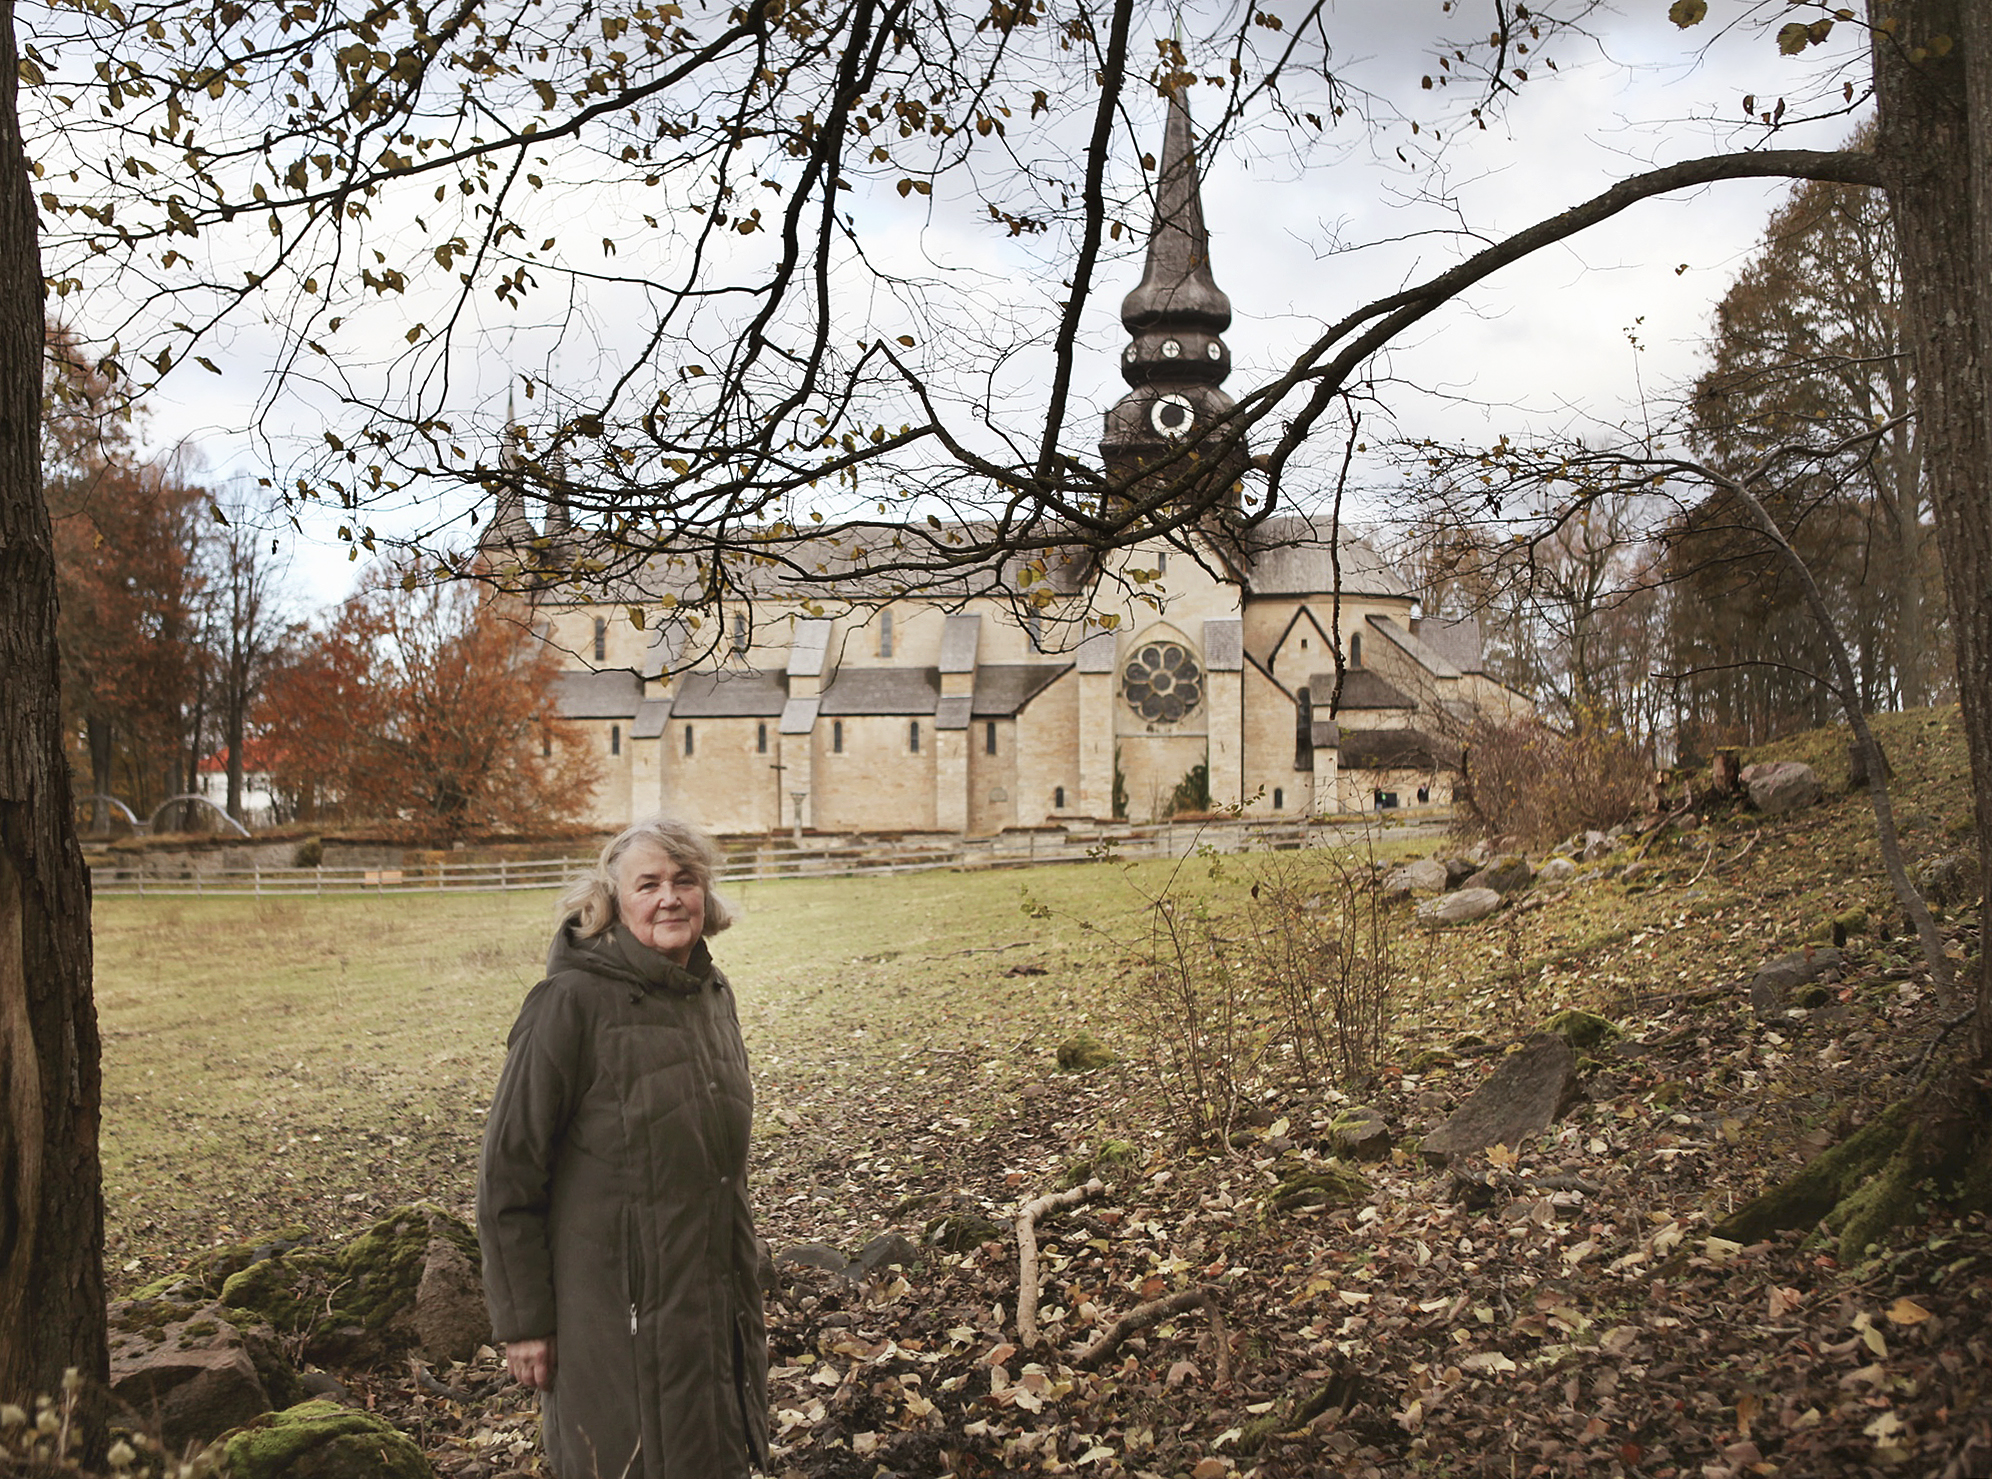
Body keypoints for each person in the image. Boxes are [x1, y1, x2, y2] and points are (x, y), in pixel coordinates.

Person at [478, 816, 768, 1479]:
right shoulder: (567, 1005)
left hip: (711, 1303)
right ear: (612, 900)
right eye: (649, 883)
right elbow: (508, 1174)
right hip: (612, 1317)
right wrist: (522, 1320)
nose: (670, 896)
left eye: (685, 879)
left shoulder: (712, 995)